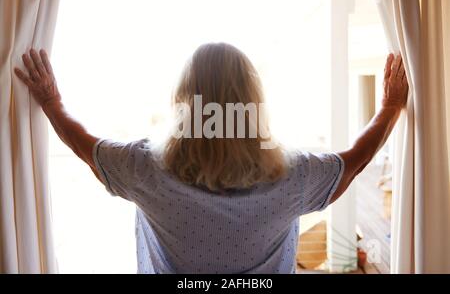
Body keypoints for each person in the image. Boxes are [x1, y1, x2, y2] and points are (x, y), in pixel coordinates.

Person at [14, 43, 408, 273]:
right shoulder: (294, 176)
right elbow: (354, 160)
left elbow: (86, 146)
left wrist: (50, 101)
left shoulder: (146, 170)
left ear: (183, 103)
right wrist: (390, 106)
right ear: (254, 105)